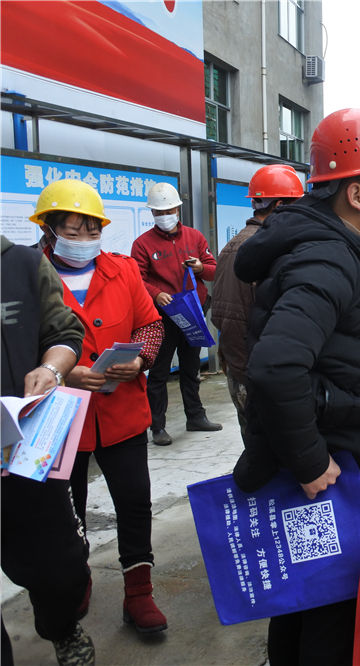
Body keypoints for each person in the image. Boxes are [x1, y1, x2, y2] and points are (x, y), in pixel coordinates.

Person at [232, 108, 360, 665]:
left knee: (303, 601)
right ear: (359, 196)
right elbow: (276, 367)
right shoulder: (328, 257)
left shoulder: (342, 246)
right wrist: (311, 461)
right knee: (328, 613)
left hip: (325, 449)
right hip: (319, 469)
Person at [29, 179, 169, 635]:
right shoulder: (27, 275)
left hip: (121, 411)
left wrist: (140, 360)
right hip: (59, 418)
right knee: (67, 510)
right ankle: (78, 580)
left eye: (93, 231)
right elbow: (17, 345)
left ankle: (139, 592)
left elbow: (150, 325)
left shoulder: (122, 270)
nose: (85, 240)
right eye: (74, 231)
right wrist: (60, 372)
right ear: (49, 230)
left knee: (134, 500)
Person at [1, 233, 93, 666]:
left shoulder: (21, 264)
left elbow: (65, 332)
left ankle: (61, 628)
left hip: (25, 451)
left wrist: (51, 370)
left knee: (59, 568)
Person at [211, 164, 303, 432]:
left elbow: (222, 315)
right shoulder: (269, 248)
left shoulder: (233, 245)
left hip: (239, 368)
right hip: (261, 374)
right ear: (279, 206)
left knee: (254, 444)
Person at [131, 182, 220, 446]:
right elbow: (137, 279)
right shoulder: (142, 244)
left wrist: (200, 267)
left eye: (169, 211)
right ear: (152, 213)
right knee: (159, 372)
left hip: (192, 314)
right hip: (163, 317)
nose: (165, 216)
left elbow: (214, 270)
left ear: (178, 209)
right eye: (159, 212)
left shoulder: (194, 237)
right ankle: (157, 426)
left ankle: (196, 416)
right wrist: (156, 293)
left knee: (191, 368)